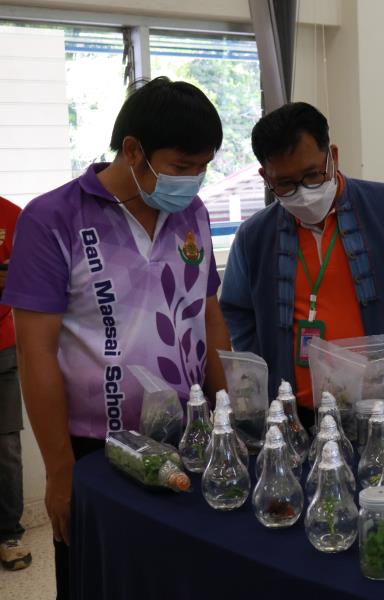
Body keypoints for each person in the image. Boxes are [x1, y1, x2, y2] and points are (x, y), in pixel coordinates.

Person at [2, 77, 231, 597]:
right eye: (181, 167)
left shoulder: (192, 213)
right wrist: (59, 471)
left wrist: (228, 416)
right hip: (95, 451)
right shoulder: (54, 218)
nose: (193, 181)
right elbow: (36, 353)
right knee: (101, 581)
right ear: (132, 150)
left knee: (180, 577)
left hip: (188, 438)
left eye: (203, 168)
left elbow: (209, 314)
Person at [220, 102, 384, 423]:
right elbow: (237, 314)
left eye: (312, 175)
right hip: (295, 418)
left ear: (333, 156)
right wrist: (264, 389)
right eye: (285, 183)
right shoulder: (255, 236)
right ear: (265, 176)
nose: (303, 193)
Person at [0, 195, 28, 571]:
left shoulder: (12, 215)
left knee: (6, 447)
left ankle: (9, 534)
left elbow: (33, 278)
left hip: (3, 348)